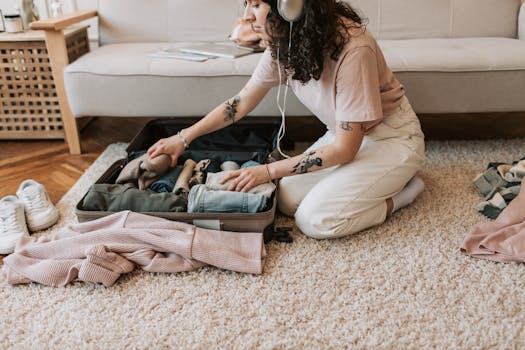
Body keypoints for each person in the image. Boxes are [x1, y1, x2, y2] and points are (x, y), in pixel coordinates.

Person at [147, 0, 425, 239]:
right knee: (289, 199)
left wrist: (267, 171)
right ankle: (377, 181)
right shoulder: (287, 39)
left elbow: (345, 150)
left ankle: (405, 192)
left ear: (289, 6)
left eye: (256, 5)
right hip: (345, 134)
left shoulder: (354, 49)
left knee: (315, 220)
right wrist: (183, 137)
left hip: (391, 139)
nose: (246, 15)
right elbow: (241, 102)